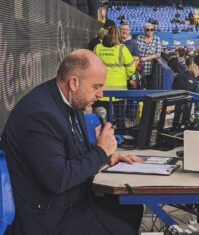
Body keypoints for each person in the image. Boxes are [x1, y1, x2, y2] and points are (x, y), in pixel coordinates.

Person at [0, 49, 143, 235]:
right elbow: (57, 180)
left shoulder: (68, 101)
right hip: (46, 218)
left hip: (71, 203)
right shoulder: (40, 116)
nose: (101, 93)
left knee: (132, 209)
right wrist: (100, 152)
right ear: (74, 83)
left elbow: (69, 154)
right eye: (96, 86)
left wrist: (107, 156)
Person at [94, 26, 135, 129]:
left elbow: (92, 66)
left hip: (101, 89)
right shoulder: (122, 48)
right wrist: (126, 77)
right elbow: (131, 67)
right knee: (120, 116)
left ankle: (103, 136)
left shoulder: (97, 48)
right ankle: (120, 135)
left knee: (102, 118)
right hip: (119, 90)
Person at [136, 23, 162, 89]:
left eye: (151, 29)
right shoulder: (139, 38)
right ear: (144, 30)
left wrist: (145, 58)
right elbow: (136, 51)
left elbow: (158, 54)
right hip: (139, 67)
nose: (150, 31)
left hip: (151, 68)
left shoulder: (156, 39)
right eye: (148, 30)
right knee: (140, 86)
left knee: (149, 87)